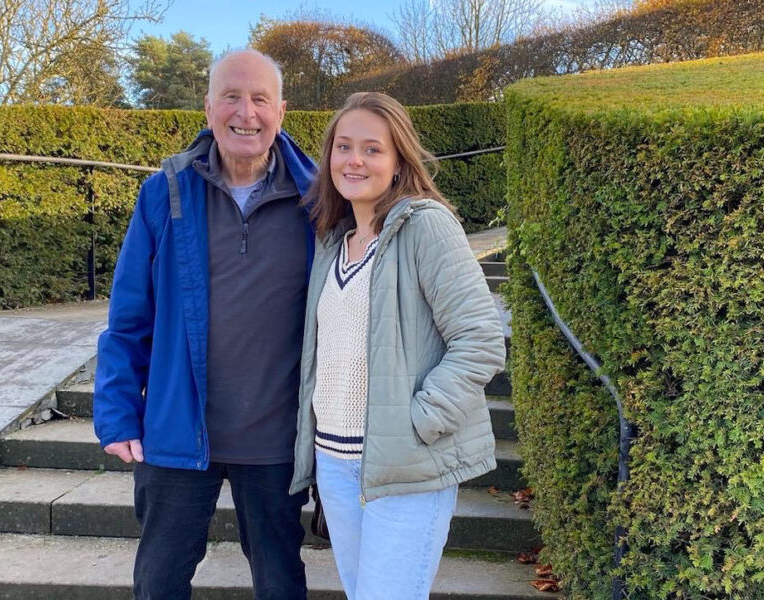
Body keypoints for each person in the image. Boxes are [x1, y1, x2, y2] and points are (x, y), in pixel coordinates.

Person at [94, 49, 314, 600]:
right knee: (160, 581)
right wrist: (117, 411)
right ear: (208, 105)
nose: (247, 112)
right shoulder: (164, 193)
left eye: (261, 98)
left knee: (281, 582)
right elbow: (127, 317)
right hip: (177, 430)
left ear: (281, 110)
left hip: (276, 438)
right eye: (232, 96)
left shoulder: (321, 200)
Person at [288, 92, 506, 600]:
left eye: (372, 148)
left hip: (406, 468)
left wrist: (420, 421)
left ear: (399, 160)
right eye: (343, 146)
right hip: (336, 467)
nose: (355, 160)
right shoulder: (333, 241)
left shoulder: (425, 225)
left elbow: (480, 339)